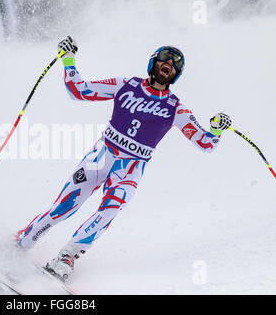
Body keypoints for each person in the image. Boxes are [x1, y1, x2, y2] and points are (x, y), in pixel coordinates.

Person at [15, 36, 232, 281]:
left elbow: (205, 143)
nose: (169, 64)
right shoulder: (125, 85)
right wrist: (68, 60)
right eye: (164, 58)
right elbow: (79, 91)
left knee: (109, 209)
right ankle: (21, 244)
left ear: (176, 74)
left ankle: (67, 256)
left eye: (175, 64)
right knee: (64, 207)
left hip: (131, 168)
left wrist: (215, 129)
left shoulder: (176, 108)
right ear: (153, 63)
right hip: (102, 155)